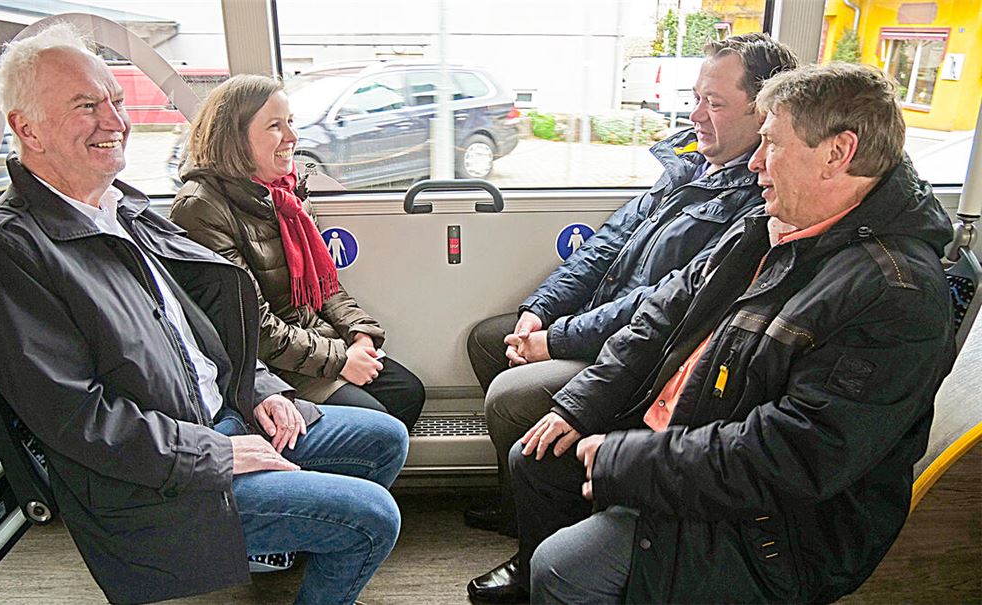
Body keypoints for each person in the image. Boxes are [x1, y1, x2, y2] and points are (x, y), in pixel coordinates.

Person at [468, 62, 957, 604]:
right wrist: (582, 404)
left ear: (836, 153)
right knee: (535, 458)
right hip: (691, 438)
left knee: (566, 568)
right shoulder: (772, 228)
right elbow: (661, 313)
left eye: (771, 144)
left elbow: (794, 455)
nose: (755, 164)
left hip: (776, 528)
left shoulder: (894, 294)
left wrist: (628, 461)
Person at [0, 24, 408, 605]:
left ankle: (285, 543)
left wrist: (262, 388)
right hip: (151, 476)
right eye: (85, 105)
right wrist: (217, 452)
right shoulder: (6, 249)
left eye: (115, 101)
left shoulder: (124, 209)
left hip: (221, 414)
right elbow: (74, 417)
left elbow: (204, 328)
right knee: (372, 517)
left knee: (384, 438)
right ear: (26, 129)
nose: (115, 121)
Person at [464, 33, 799, 537]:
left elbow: (662, 304)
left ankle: (542, 527)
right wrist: (540, 310)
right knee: (489, 338)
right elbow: (607, 245)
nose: (695, 116)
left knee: (511, 396)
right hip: (608, 321)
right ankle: (520, 500)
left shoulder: (757, 201)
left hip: (645, 349)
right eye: (694, 98)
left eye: (714, 103)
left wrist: (556, 340)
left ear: (763, 113)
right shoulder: (688, 166)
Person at [170, 76, 424, 431]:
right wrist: (340, 361)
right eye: (275, 126)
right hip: (266, 366)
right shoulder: (201, 209)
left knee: (408, 392)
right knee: (376, 419)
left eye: (291, 122)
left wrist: (359, 333)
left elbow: (325, 286)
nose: (292, 137)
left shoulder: (287, 195)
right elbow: (251, 328)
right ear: (234, 137)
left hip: (310, 340)